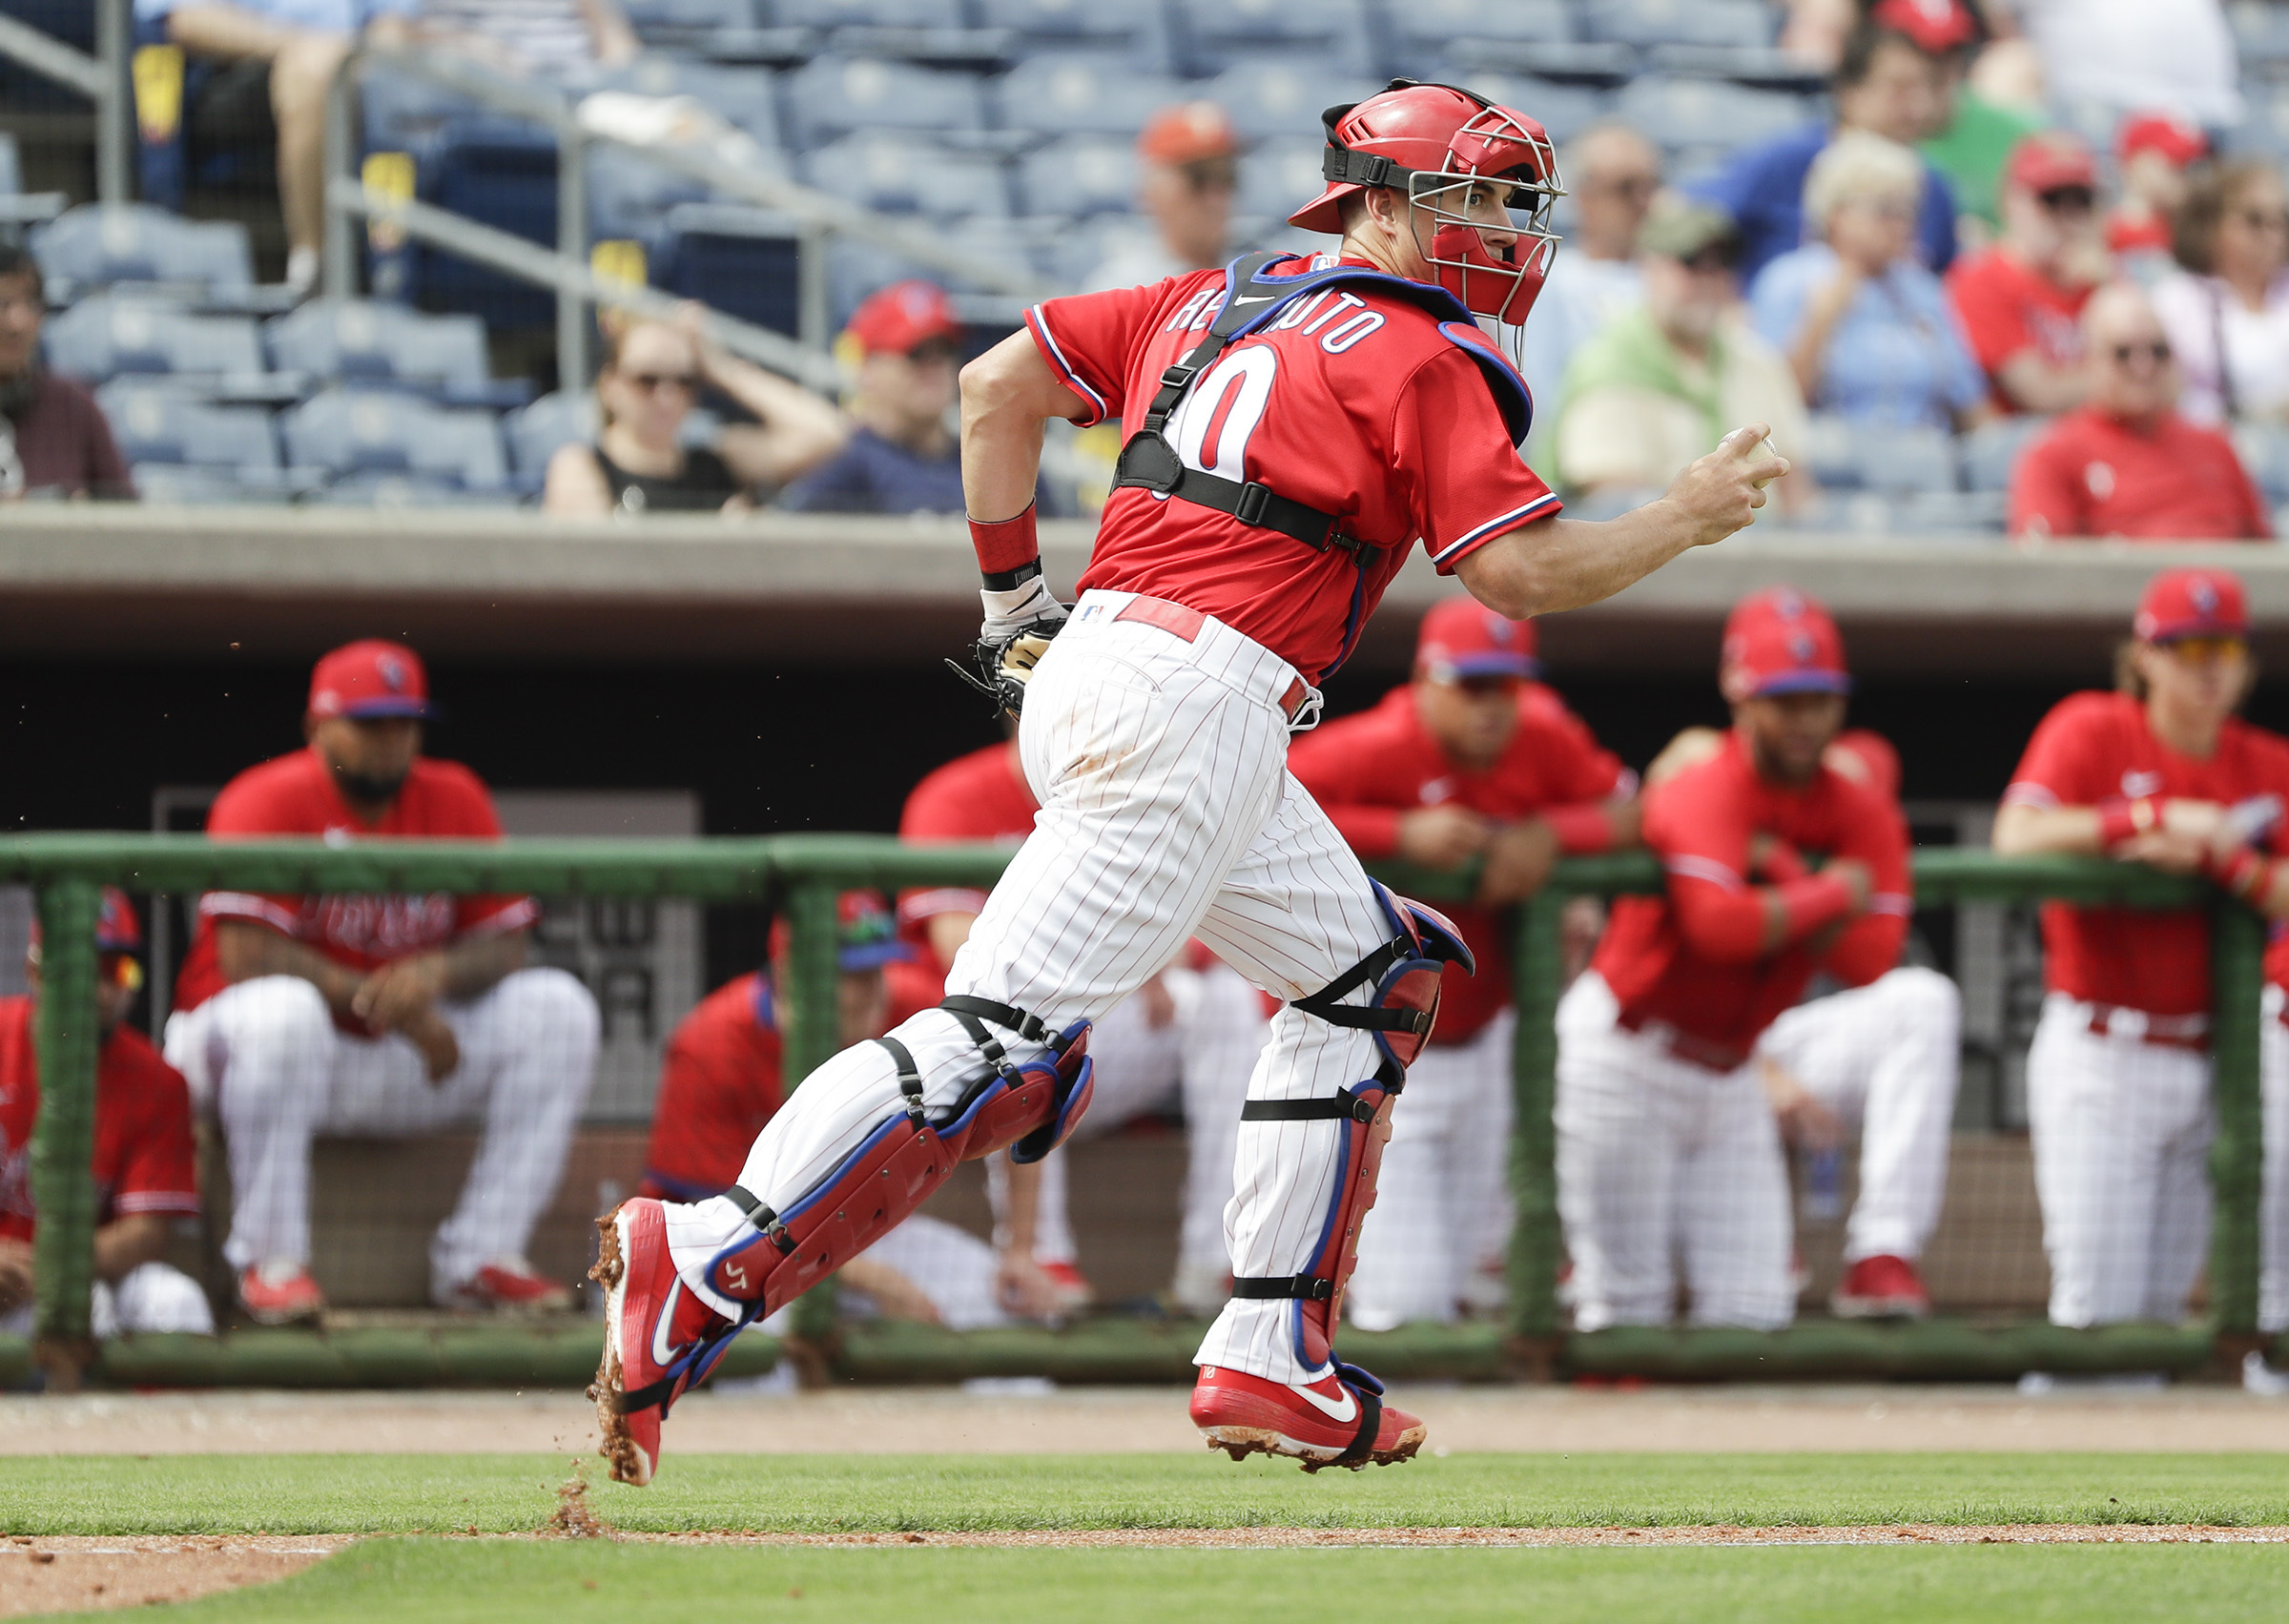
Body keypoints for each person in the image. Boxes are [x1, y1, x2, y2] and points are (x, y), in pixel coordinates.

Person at [590, 77, 1786, 1488]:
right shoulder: (1423, 352)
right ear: (1382, 205)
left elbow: (993, 390)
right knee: (999, 1043)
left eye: (1511, 206)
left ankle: (1272, 1350)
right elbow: (1518, 576)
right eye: (1474, 201)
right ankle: (706, 1254)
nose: (1506, 234)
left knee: (1369, 977)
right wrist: (1682, 517)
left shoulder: (1217, 293)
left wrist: (1006, 602)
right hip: (1201, 698)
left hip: (1117, 659)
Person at [162, 639, 600, 1325]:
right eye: (370, 723)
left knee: (559, 1008)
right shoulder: (265, 796)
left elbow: (506, 941)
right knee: (286, 1012)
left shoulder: (454, 796)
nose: (391, 741)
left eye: (405, 722)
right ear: (316, 727)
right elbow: (246, 953)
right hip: (232, 1052)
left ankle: (481, 1257)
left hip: (378, 1058)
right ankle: (270, 1263)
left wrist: (435, 973)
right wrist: (389, 1002)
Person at [1557, 588, 1910, 1332]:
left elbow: (1872, 956)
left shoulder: (1856, 808)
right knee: (1625, 1310)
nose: (1805, 718)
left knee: (1753, 1316)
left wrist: (1781, 872)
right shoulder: (1706, 784)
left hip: (1731, 1073)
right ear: (1741, 695)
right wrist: (1826, 890)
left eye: (1819, 698)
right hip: (1627, 1053)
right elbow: (1719, 927)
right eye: (1785, 699)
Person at [1287, 598, 1639, 1328]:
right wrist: (1397, 833)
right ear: (1425, 680)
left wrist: (1551, 833)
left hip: (1485, 1046)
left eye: (1504, 685)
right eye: (1471, 684)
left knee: (1474, 1294)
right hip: (1367, 1049)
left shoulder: (1541, 733)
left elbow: (1633, 809)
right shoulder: (1376, 744)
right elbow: (1256, 802)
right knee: (1408, 1304)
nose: (1491, 706)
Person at [1993, 565, 2289, 1327]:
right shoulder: (2092, 725)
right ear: (2146, 655)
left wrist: (2229, 857)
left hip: (2214, 1060)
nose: (2211, 668)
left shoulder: (2265, 762)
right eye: (2190, 649)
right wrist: (2143, 819)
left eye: (2225, 648)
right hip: (2102, 1051)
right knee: (2098, 1310)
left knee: (2161, 1316)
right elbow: (2015, 837)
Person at [893, 731, 1270, 1318]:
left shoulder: (1133, 790)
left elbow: (1200, 933)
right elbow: (960, 953)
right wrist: (1129, 958)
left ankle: (1216, 1261)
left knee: (1225, 1000)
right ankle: (1043, 1260)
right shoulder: (957, 796)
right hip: (980, 1065)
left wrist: (1139, 962)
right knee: (1019, 1022)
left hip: (1108, 1038)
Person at [1641, 725, 1961, 1319]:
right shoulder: (1721, 794)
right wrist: (1764, 1074)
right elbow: (1673, 771)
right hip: (1697, 1048)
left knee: (1925, 999)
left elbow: (1869, 763)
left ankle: (1881, 1256)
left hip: (1795, 1047)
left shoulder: (1862, 843)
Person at [641, 893, 1040, 1331]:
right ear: (790, 974)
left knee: (996, 1309)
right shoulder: (713, 1043)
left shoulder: (917, 1011)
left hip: (864, 1233)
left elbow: (1017, 1090)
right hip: (716, 1257)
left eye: (875, 969)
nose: (870, 990)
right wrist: (878, 1283)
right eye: (849, 974)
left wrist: (1019, 1248)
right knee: (755, 1333)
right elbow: (728, 1227)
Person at [0, 889, 213, 1341]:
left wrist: (54, 1266)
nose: (100, 988)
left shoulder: (157, 1081)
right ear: (34, 971)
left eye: (117, 969)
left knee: (176, 1305)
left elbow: (146, 1233)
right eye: (80, 967)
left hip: (82, 1269)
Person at [138, 1, 420, 296]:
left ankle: (397, 283)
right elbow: (183, 19)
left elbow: (392, 26)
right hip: (237, 69)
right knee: (312, 68)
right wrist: (300, 46)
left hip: (354, 68)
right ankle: (314, 272)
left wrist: (363, 57)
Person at [1555, 197, 1809, 508]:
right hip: (1661, 553)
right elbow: (1613, 507)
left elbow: (1796, 490)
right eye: (1691, 262)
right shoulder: (1608, 364)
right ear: (1650, 267)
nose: (1707, 279)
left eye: (1722, 263)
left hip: (1764, 551)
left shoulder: (1759, 360)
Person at [1691, 9, 1962, 286]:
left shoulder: (1932, 186)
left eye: (1926, 89)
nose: (1918, 108)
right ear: (1850, 92)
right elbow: (1691, 214)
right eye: (1899, 89)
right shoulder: (1788, 159)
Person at [1750, 131, 1989, 432]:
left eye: (1910, 211)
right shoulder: (1788, 280)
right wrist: (1821, 320)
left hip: (1921, 460)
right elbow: (1772, 407)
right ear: (1837, 214)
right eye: (1886, 211)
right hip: (1831, 463)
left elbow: (1968, 402)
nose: (1903, 225)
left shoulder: (1922, 289)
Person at [2009, 281, 2270, 542]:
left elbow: (2264, 554)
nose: (2144, 367)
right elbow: (2043, 568)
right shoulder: (2054, 455)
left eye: (2157, 351)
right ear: (2089, 360)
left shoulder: (2215, 446)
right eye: (2123, 353)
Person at [543, 306, 848, 516]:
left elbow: (830, 434)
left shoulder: (720, 460)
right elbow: (593, 569)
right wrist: (716, 545)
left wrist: (724, 370)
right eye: (647, 381)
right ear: (610, 386)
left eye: (685, 381)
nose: (667, 396)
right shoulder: (582, 465)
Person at [1516, 123, 1662, 459]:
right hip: (1590, 458)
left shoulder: (1680, 275)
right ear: (1586, 198)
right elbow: (1545, 399)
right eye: (1626, 188)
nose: (1643, 203)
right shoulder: (1551, 282)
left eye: (1650, 187)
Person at [1944, 133, 2109, 414]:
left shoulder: (2101, 281)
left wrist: (2110, 290)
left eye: (2081, 200)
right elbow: (2041, 395)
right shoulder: (1982, 279)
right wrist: (2123, 382)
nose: (2067, 214)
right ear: (2012, 200)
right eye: (2051, 199)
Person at [776, 281, 964, 515]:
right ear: (868, 369)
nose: (934, 366)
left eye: (945, 351)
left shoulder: (979, 460)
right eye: (916, 354)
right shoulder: (848, 463)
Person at [2152, 160, 2289, 428]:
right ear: (2211, 225)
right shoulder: (2178, 300)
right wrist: (2261, 414)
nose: (2274, 233)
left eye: (2283, 218)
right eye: (2255, 220)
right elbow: (2169, 398)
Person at [0, 246, 133, 501]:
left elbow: (127, 521)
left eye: (30, 303)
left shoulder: (74, 406)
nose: (17, 322)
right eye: (2, 303)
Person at [1083, 103, 1240, 295]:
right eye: (1198, 177)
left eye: (1226, 176)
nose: (1215, 195)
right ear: (1150, 192)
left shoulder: (1260, 276)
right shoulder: (1122, 290)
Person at [369, 0, 637, 83]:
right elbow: (387, 36)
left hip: (568, 95)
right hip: (469, 92)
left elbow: (619, 51)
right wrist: (465, 46)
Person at [2106, 113, 2208, 272]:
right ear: (2137, 162)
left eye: (2186, 164)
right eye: (2173, 161)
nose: (2182, 173)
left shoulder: (2193, 232)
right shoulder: (2101, 232)